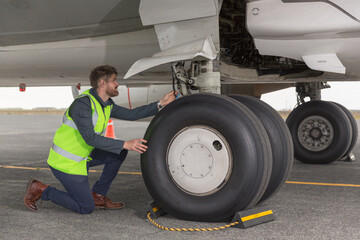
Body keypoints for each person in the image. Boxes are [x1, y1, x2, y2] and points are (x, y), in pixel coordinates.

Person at [23, 65, 176, 214]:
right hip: (66, 162)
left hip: (83, 156)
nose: (117, 85)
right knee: (85, 208)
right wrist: (126, 143)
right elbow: (90, 138)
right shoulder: (83, 104)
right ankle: (41, 190)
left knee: (119, 152)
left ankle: (97, 195)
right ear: (103, 83)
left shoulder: (106, 104)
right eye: (114, 81)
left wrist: (160, 103)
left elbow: (131, 114)